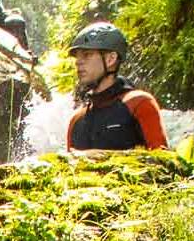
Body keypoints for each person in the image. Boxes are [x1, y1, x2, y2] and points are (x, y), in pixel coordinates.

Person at [66, 22, 167, 151]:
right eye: (77, 57)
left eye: (87, 54)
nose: (78, 62)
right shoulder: (77, 120)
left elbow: (163, 160)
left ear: (110, 59)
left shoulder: (139, 103)